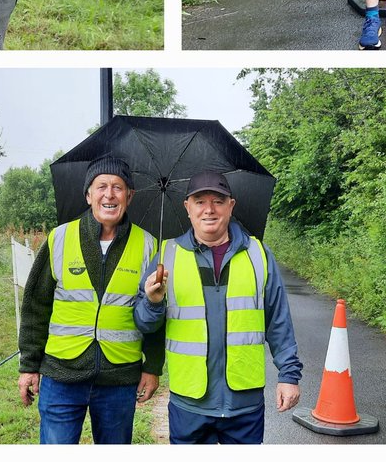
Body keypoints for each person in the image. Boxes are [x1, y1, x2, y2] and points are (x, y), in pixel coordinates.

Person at [136, 170, 302, 444]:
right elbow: (143, 324)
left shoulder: (258, 255)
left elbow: (278, 321)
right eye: (200, 201)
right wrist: (153, 302)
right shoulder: (167, 256)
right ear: (187, 207)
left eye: (218, 200)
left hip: (244, 405)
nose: (209, 209)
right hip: (189, 403)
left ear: (231, 206)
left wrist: (289, 375)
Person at [17, 158, 163, 444]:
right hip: (61, 376)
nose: (109, 194)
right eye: (101, 187)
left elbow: (157, 315)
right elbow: (36, 306)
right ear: (88, 195)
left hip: (119, 381)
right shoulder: (59, 238)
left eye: (118, 188)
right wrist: (28, 366)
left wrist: (152, 367)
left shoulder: (149, 245)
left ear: (129, 196)